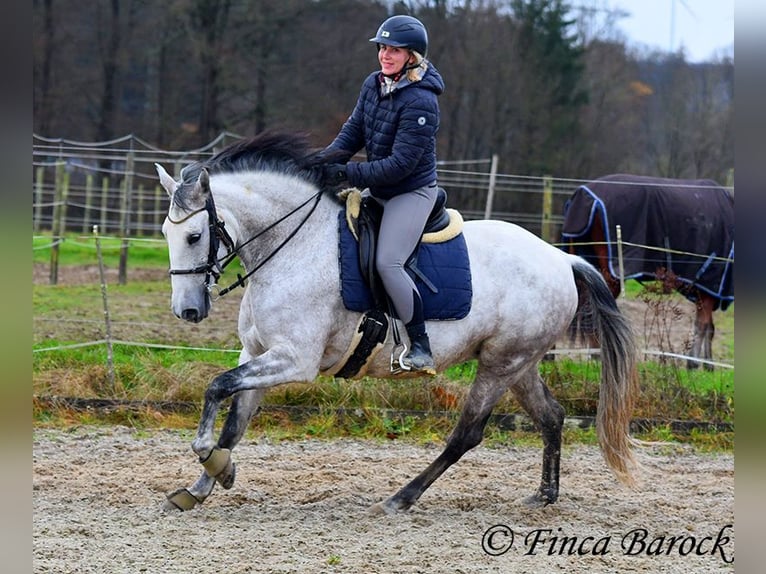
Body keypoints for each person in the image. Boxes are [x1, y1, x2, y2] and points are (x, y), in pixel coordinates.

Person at [320, 14, 444, 375]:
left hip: (411, 192)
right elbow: (352, 133)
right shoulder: (374, 84)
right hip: (380, 187)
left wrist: (347, 172)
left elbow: (400, 166)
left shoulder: (422, 100)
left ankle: (420, 346)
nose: (385, 55)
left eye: (394, 50)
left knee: (387, 262)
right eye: (383, 48)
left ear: (413, 56)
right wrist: (316, 163)